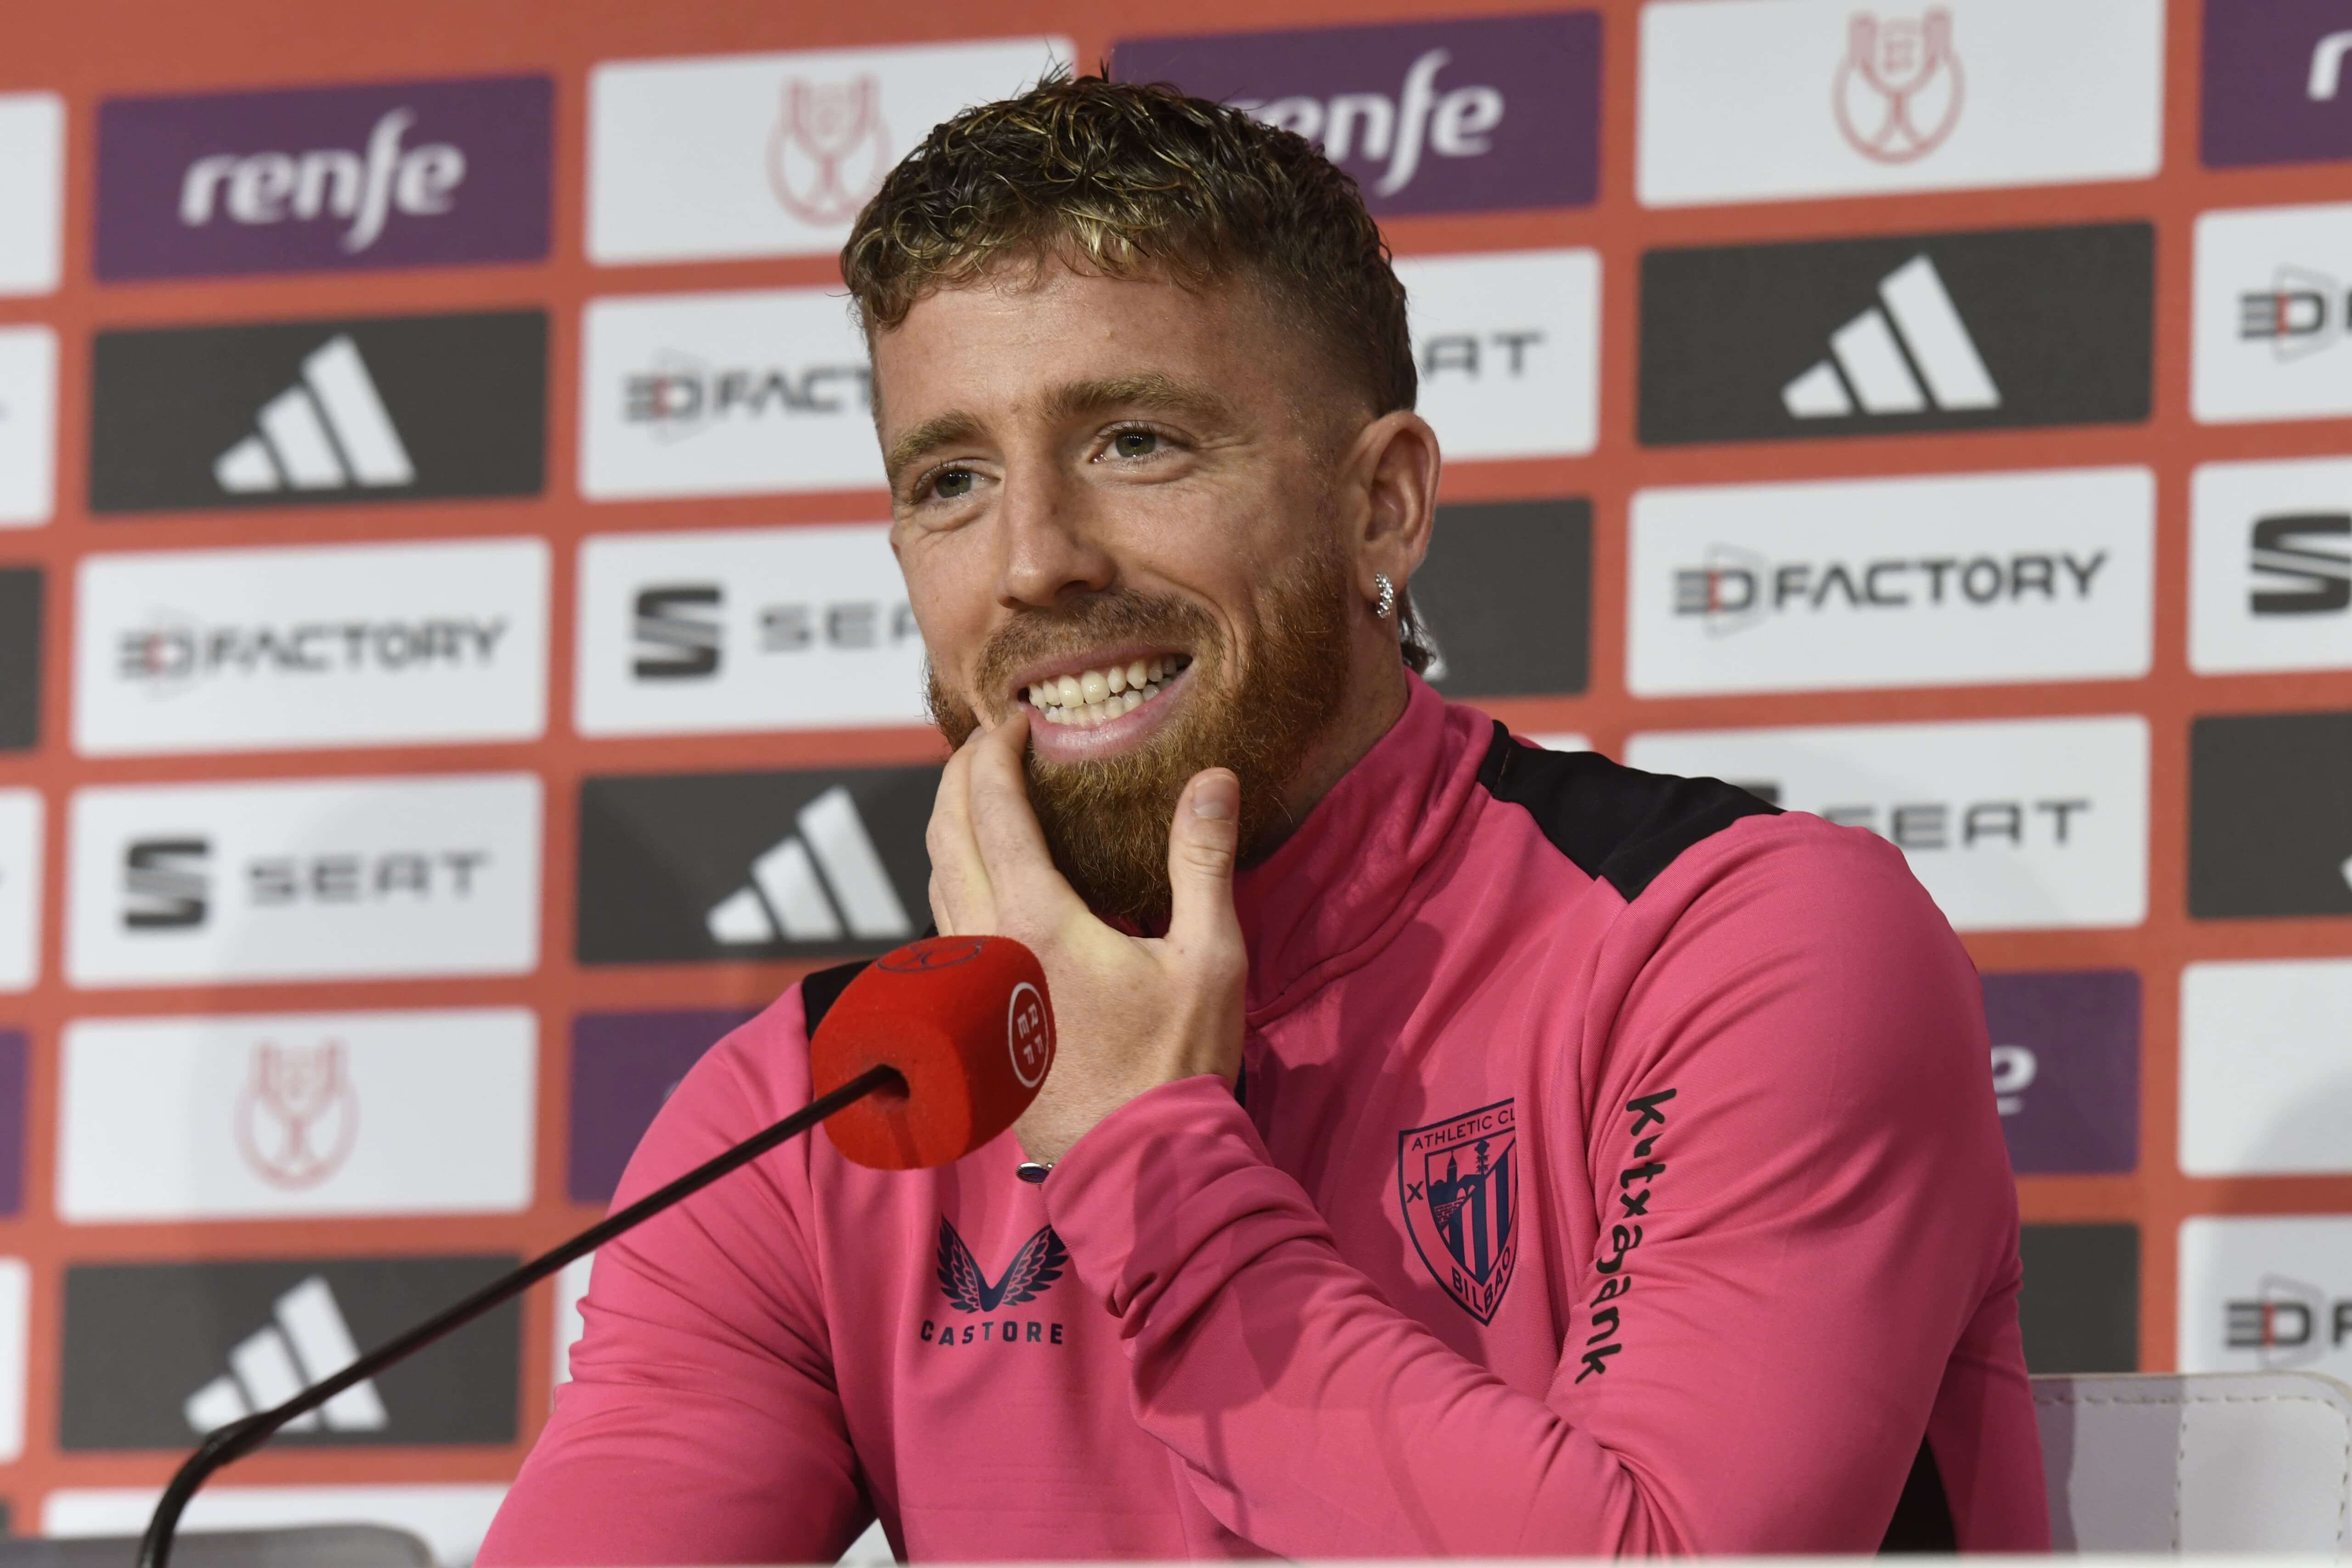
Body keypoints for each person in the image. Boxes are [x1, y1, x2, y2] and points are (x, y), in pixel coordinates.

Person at [482, 76, 2047, 1562]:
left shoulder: (1739, 946)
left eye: (1136, 442)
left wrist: (1139, 1156)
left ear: (1383, 505)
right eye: (950, 478)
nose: (1034, 561)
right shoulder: (821, 1107)